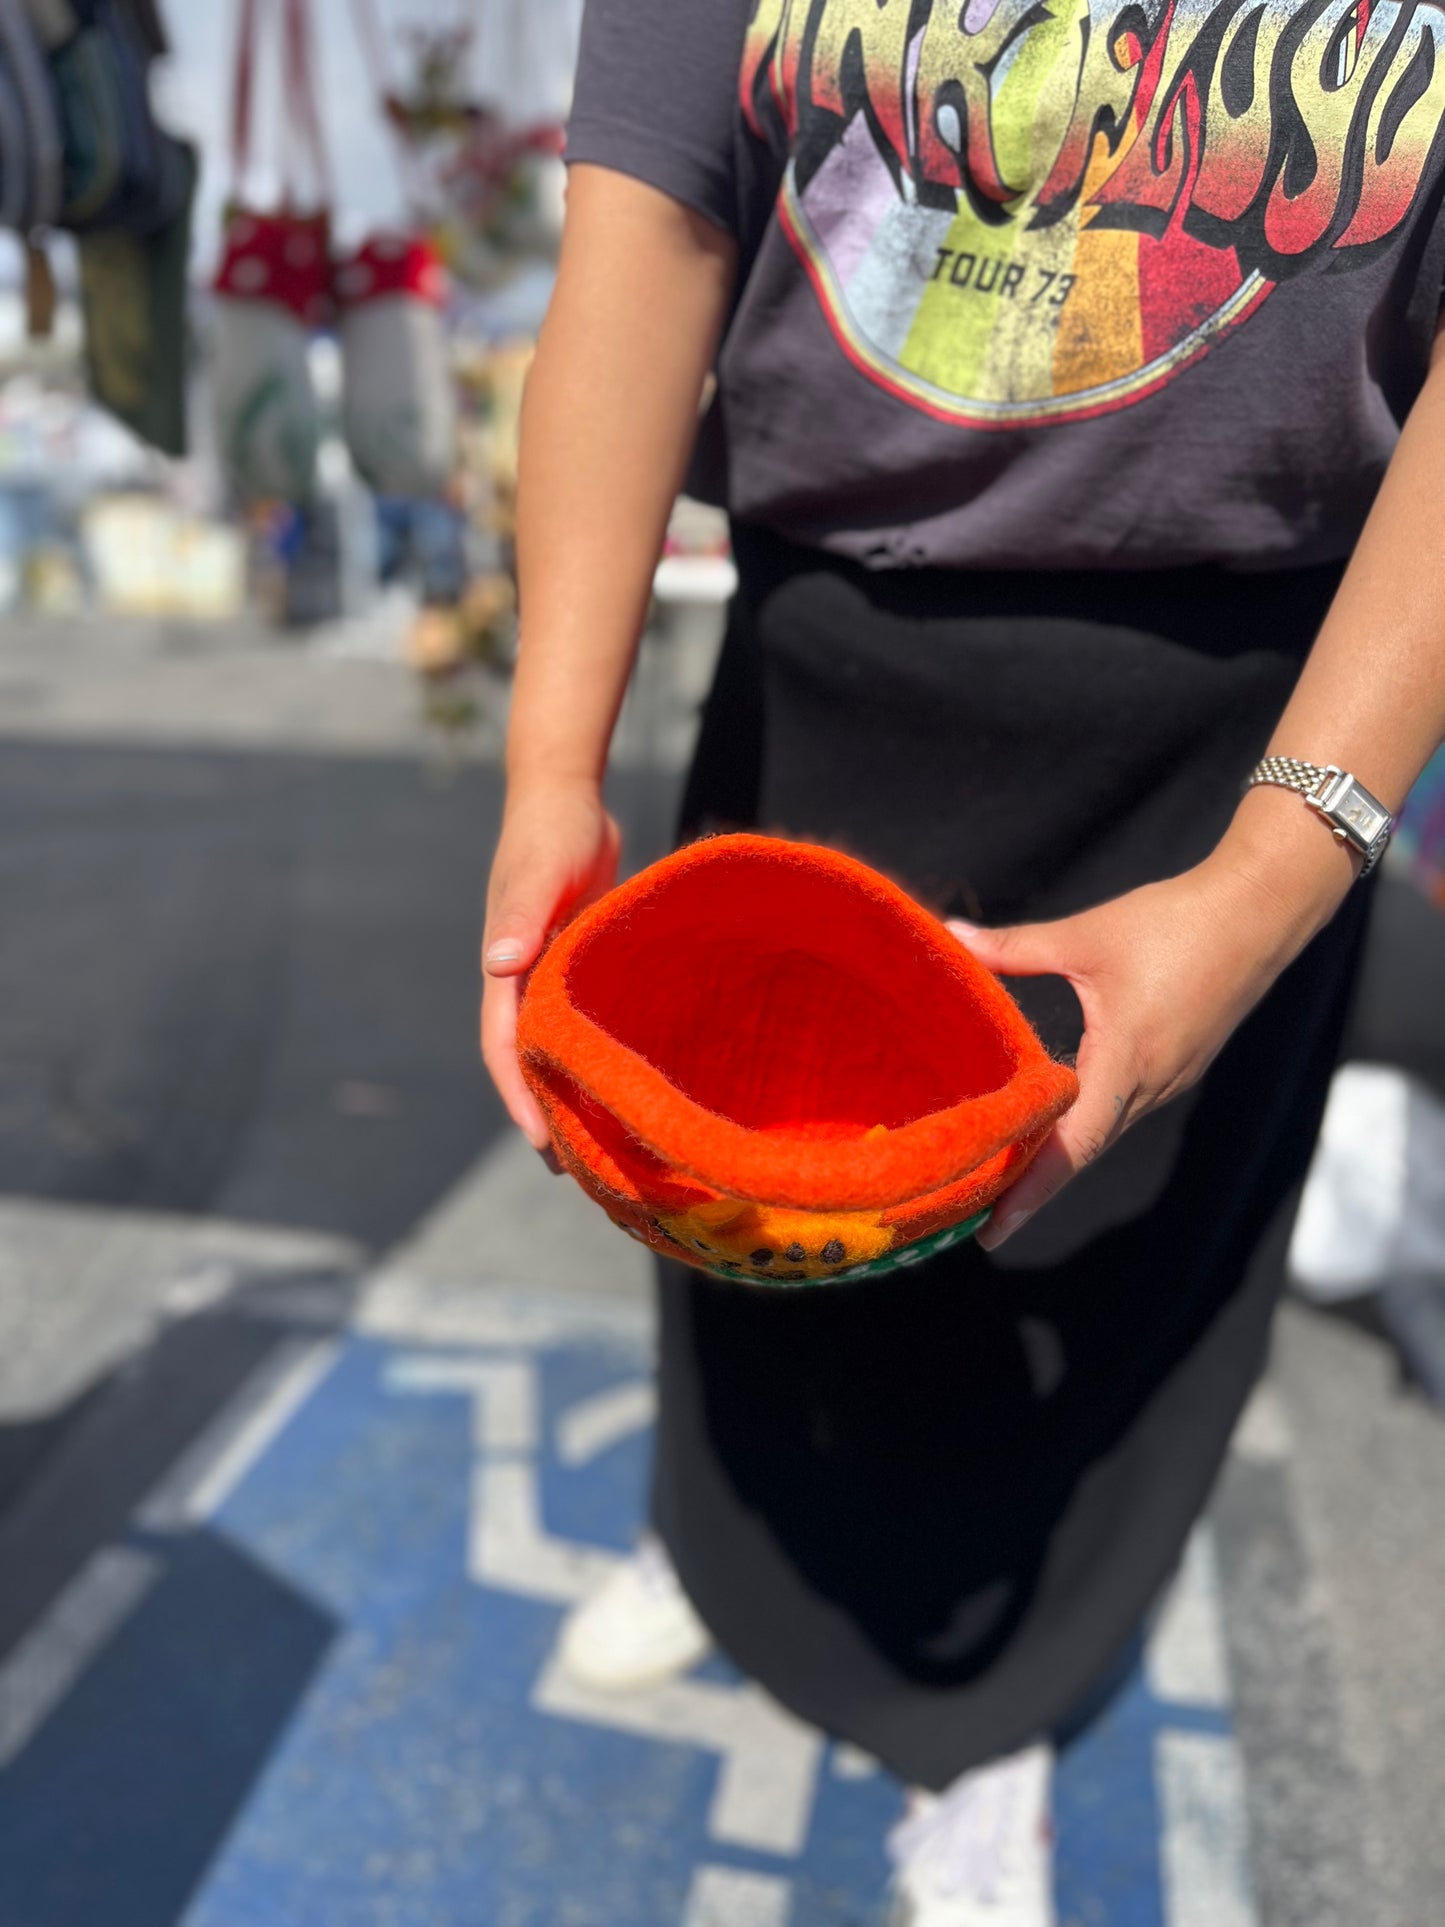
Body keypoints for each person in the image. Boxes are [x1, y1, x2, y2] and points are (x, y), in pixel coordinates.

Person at [481, 3, 1445, 1918]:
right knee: (735, 1199)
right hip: (826, 652)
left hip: (1246, 702)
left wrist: (1277, 865)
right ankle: (722, 1540)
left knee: (1101, 1278)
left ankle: (990, 1711)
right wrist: (545, 777)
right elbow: (652, 225)